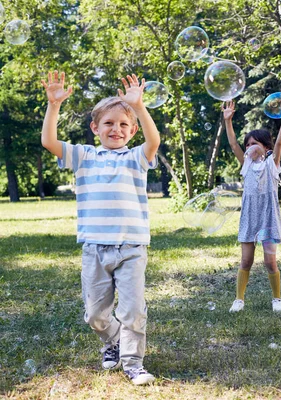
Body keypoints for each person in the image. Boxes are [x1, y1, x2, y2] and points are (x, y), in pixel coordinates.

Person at [41, 71, 160, 385]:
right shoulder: (84, 156)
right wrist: (53, 106)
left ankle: (134, 363)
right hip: (94, 247)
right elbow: (48, 141)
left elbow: (155, 140)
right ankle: (113, 341)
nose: (116, 129)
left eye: (123, 124)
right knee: (95, 315)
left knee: (133, 309)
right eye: (108, 123)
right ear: (95, 128)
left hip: (131, 247)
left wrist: (139, 106)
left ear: (132, 130)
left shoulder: (137, 157)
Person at [222, 100, 281, 313]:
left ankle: (277, 298)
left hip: (268, 217)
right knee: (246, 260)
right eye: (248, 145)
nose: (250, 147)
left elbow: (280, 143)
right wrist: (228, 121)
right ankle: (239, 299)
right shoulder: (246, 166)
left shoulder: (272, 164)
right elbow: (234, 144)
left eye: (255, 144)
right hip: (249, 217)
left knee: (270, 262)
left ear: (266, 147)